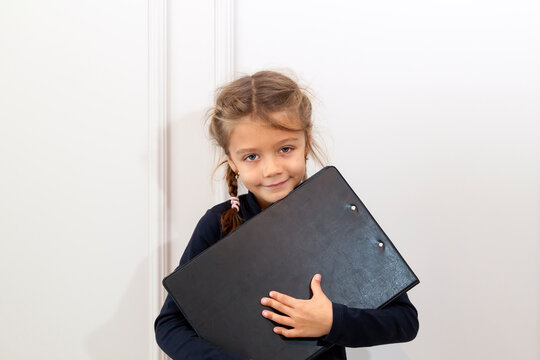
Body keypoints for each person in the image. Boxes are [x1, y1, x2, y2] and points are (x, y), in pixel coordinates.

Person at [154, 70, 419, 359]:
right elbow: (169, 325)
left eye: (285, 149)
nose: (272, 169)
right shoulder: (216, 224)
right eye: (251, 156)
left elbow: (404, 321)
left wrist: (332, 321)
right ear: (232, 161)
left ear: (306, 141)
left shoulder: (337, 214)